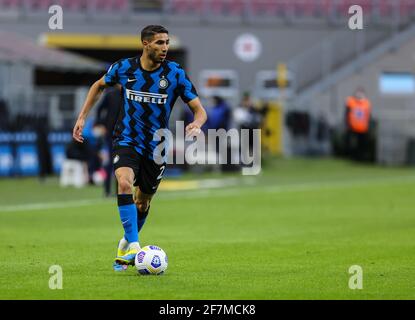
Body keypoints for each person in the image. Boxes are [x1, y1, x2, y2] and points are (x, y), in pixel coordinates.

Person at [72, 25, 207, 271]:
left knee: (142, 203)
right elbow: (98, 85)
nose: (165, 48)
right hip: (127, 139)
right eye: (159, 43)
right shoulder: (124, 68)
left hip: (157, 146)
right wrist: (82, 117)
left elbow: (200, 111)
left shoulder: (175, 74)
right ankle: (134, 245)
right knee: (124, 182)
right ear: (145, 44)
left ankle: (125, 242)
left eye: (166, 42)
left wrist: (196, 124)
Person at [344, 87, 372, 161]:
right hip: (352, 127)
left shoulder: (366, 103)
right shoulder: (351, 101)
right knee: (351, 143)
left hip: (363, 128)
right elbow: (347, 113)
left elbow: (368, 116)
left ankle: (360, 158)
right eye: (358, 92)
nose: (359, 94)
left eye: (361, 93)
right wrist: (347, 124)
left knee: (362, 145)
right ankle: (351, 157)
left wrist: (368, 126)